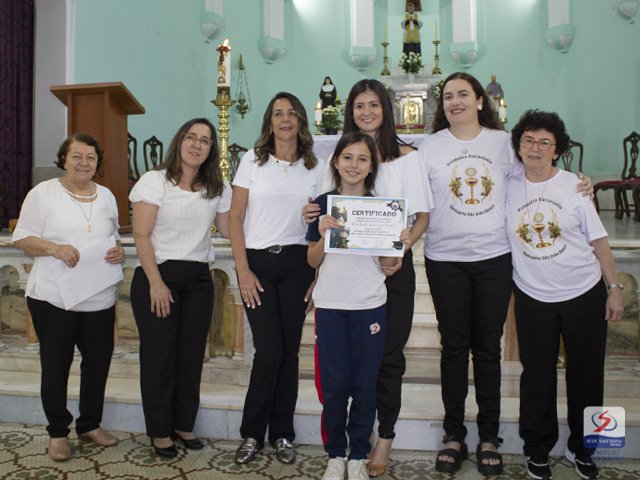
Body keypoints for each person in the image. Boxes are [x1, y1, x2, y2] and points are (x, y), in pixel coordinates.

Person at [419, 72, 592, 475]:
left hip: (494, 259)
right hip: (445, 261)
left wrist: (576, 182)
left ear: (480, 100)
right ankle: (453, 434)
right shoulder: (429, 146)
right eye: (448, 96)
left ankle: (489, 436)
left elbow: (538, 172)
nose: (455, 101)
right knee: (453, 348)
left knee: (487, 349)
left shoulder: (502, 143)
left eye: (463, 94)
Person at [304, 79, 433, 477]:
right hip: (339, 286)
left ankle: (378, 439)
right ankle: (340, 452)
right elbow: (319, 228)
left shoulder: (407, 158)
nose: (366, 112)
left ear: (385, 109)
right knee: (339, 377)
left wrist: (399, 250)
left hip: (387, 272)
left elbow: (420, 216)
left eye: (374, 104)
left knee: (385, 360)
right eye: (359, 105)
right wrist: (315, 225)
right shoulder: (335, 170)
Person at [507, 110, 623, 480]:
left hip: (584, 292)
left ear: (557, 151)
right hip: (533, 296)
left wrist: (614, 288)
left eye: (545, 142)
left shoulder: (575, 186)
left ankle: (587, 447)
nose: (535, 148)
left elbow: (599, 240)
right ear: (518, 146)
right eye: (528, 140)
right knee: (536, 375)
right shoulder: (507, 183)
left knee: (588, 373)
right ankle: (537, 448)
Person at [12, 133, 125, 461]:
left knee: (97, 365)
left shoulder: (106, 196)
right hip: (54, 299)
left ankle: (90, 424)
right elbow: (22, 237)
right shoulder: (43, 193)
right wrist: (55, 248)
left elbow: (113, 237)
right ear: (64, 160)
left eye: (91, 157)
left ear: (97, 163)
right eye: (77, 156)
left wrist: (118, 251)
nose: (84, 163)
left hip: (99, 299)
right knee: (56, 366)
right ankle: (58, 433)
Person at [229, 92, 324, 465]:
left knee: (288, 352)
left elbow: (326, 225)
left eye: (292, 113)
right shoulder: (252, 161)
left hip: (299, 264)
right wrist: (243, 270)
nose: (285, 119)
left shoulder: (316, 167)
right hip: (258, 264)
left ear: (300, 121)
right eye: (278, 113)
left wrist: (318, 275)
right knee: (268, 352)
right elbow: (235, 217)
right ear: (269, 122)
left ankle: (282, 433)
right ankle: (252, 433)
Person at [129, 118, 231, 458]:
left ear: (211, 149)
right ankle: (159, 430)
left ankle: (183, 424)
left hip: (198, 280)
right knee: (159, 357)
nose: (196, 144)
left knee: (191, 356)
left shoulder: (216, 187)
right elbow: (140, 234)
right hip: (158, 276)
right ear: (180, 141)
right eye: (191, 137)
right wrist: (156, 283)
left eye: (205, 140)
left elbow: (230, 228)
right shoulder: (155, 181)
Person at [308, 132, 403, 480]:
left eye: (362, 159)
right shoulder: (323, 203)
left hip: (369, 305)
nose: (354, 165)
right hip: (331, 304)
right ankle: (335, 454)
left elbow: (389, 265)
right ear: (335, 162)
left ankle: (359, 454)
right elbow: (311, 260)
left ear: (371, 167)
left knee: (364, 385)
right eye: (347, 157)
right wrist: (323, 234)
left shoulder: (382, 208)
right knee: (334, 386)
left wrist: (399, 246)